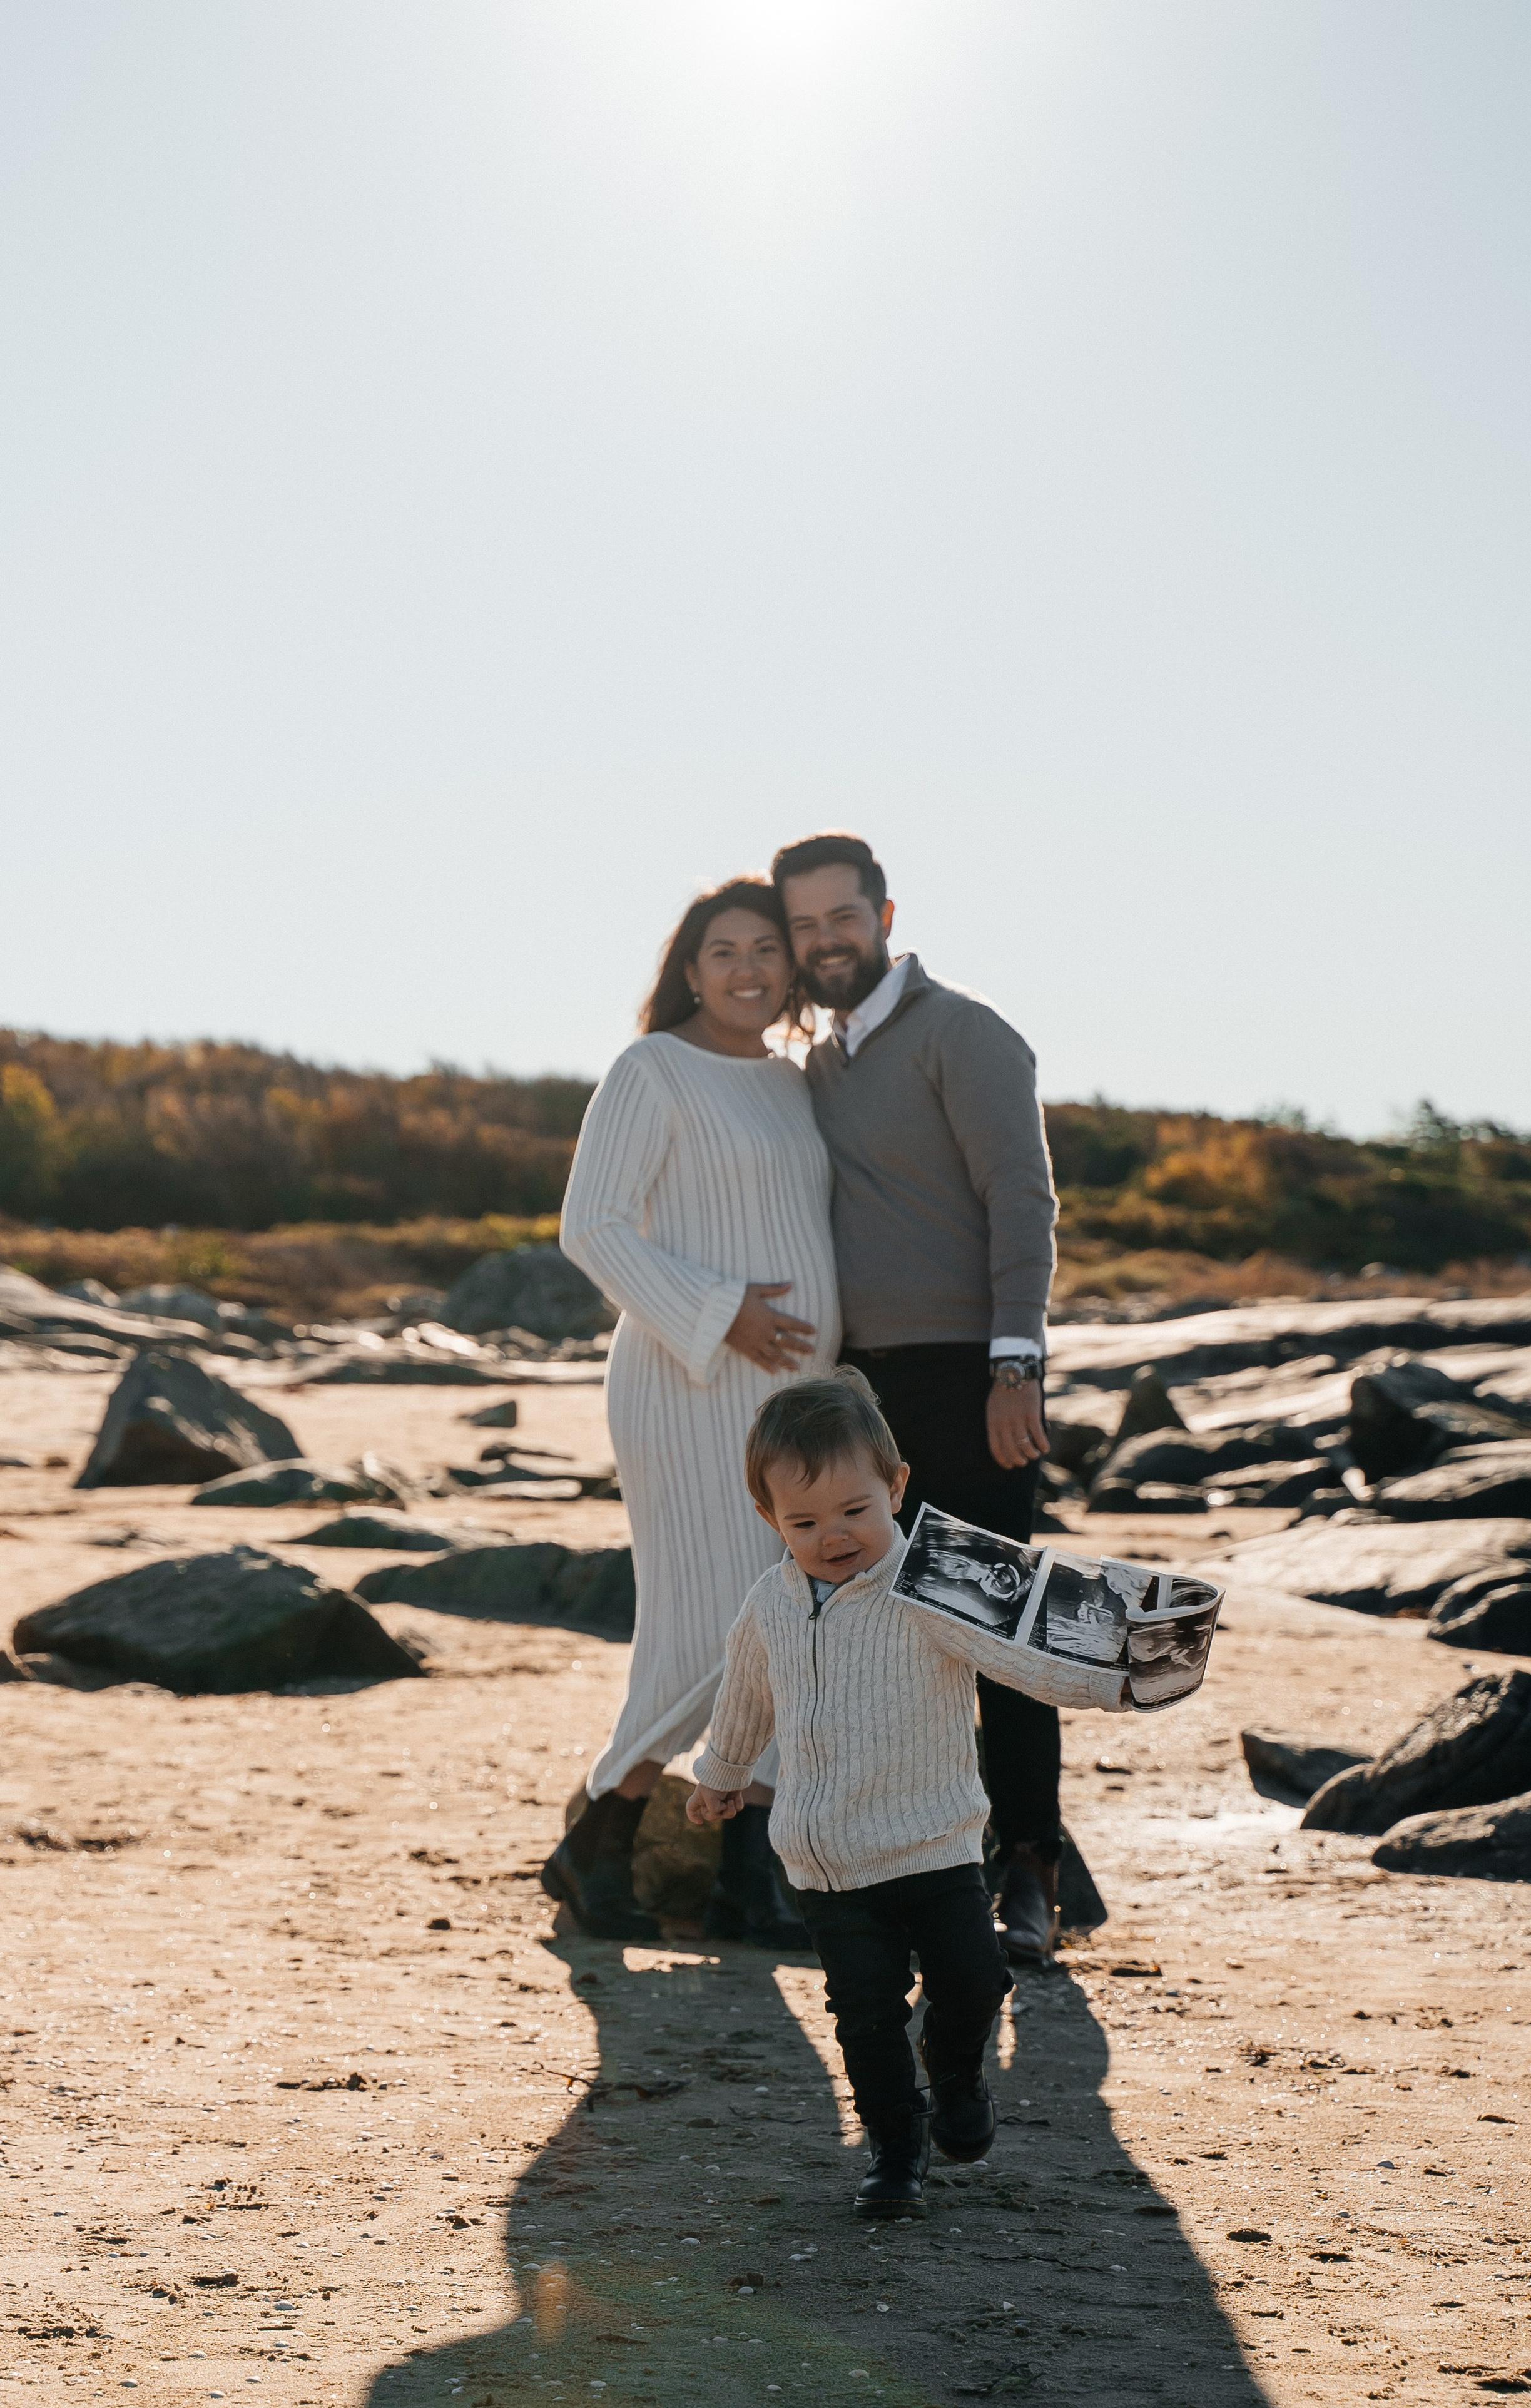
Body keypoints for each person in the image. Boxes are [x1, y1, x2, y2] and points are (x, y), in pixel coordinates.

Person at [686, 1371, 1130, 2220]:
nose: (835, 1536)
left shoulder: (936, 1580)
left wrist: (1115, 1669)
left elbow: (1028, 1650)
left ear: (896, 1487)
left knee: (975, 1979)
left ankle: (958, 2071)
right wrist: (721, 1777)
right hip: (828, 1860)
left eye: (855, 1511)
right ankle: (896, 2148)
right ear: (769, 1520)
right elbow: (744, 1698)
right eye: (805, 1522)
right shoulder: (768, 1605)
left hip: (935, 1843)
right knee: (864, 2017)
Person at [770, 828, 1071, 1961]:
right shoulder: (820, 1066)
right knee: (878, 1635)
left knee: (998, 1628)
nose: (823, 942)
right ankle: (911, 1870)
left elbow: (1022, 1200)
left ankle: (1033, 1873)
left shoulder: (966, 1032)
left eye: (841, 918)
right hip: (860, 1391)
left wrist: (1015, 1365)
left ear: (885, 919)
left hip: (967, 1377)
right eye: (804, 927)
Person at [545, 877, 842, 1946]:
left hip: (795, 1397)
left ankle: (745, 1880)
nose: (749, 968)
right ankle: (602, 1835)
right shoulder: (651, 1069)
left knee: (784, 1616)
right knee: (706, 1623)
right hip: (689, 1382)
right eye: (724, 950)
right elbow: (594, 1227)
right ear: (688, 966)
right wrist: (721, 1318)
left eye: (768, 949)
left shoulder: (794, 1080)